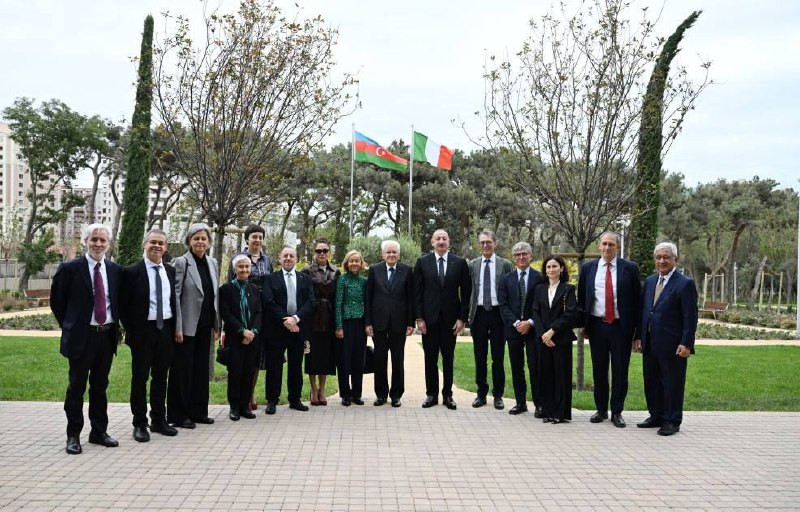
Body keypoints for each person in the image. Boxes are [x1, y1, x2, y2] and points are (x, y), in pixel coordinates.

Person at [51, 223, 122, 455]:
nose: (98, 244)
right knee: (76, 387)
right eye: (94, 239)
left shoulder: (114, 270)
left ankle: (99, 432)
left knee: (100, 387)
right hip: (81, 338)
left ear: (108, 244)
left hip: (106, 336)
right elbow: (57, 302)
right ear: (85, 241)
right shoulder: (70, 269)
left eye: (102, 240)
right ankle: (73, 435)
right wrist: (71, 325)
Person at [577, 231, 641, 428]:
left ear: (617, 247)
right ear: (599, 246)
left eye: (611, 244)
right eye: (604, 244)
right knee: (599, 370)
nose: (607, 248)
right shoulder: (588, 268)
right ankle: (601, 409)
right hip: (597, 326)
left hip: (621, 327)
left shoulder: (630, 268)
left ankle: (617, 412)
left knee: (620, 371)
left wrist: (637, 332)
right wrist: (583, 325)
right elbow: (582, 299)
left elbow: (637, 301)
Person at [120, 229, 178, 442]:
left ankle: (158, 420)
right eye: (153, 242)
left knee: (161, 377)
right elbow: (123, 306)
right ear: (145, 244)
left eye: (161, 243)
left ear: (166, 247)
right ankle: (139, 423)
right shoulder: (131, 272)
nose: (157, 246)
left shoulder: (170, 271)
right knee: (140, 378)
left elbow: (173, 302)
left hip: (165, 330)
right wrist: (132, 330)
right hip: (142, 332)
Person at [634, 242, 697, 436]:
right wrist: (638, 336)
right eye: (659, 257)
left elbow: (690, 316)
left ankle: (672, 420)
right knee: (651, 381)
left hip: (673, 344)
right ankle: (656, 415)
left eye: (666, 257)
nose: (662, 261)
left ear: (675, 260)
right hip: (649, 342)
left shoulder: (685, 284)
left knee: (672, 384)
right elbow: (644, 311)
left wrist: (686, 343)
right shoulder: (650, 281)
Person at [167, 223, 219, 428]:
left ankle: (199, 412)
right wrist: (178, 327)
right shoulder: (181, 262)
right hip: (186, 327)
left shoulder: (212, 263)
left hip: (205, 325)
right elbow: (175, 295)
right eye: (196, 238)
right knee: (182, 370)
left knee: (200, 370)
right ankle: (179, 415)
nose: (200, 242)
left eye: (203, 238)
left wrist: (217, 324)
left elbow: (214, 294)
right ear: (189, 241)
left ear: (209, 242)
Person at [413, 229, 471, 410]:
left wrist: (462, 319)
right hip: (428, 320)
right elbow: (417, 293)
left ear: (448, 241)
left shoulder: (459, 263)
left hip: (450, 320)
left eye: (444, 238)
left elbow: (466, 293)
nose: (441, 241)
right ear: (432, 242)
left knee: (448, 358)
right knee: (430, 358)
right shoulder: (422, 262)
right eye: (437, 238)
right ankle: (431, 395)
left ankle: (448, 395)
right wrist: (419, 318)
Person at [262, 246, 315, 414]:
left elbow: (311, 302)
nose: (288, 258)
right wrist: (287, 319)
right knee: (274, 366)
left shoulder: (305, 279)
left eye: (291, 256)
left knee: (295, 366)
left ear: (296, 259)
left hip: (298, 329)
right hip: (276, 329)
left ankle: (295, 399)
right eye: (285, 255)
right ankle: (272, 400)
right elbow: (268, 301)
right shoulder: (271, 278)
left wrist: (296, 319)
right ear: (279, 259)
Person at [228, 224, 273, 412]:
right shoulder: (238, 258)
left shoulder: (267, 260)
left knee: (256, 357)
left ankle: (250, 393)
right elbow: (230, 285)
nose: (257, 240)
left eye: (260, 237)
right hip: (241, 312)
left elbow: (270, 284)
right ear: (247, 239)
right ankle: (238, 401)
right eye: (254, 236)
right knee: (239, 360)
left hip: (261, 313)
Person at [365, 240, 414, 408]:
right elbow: (369, 297)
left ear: (399, 255)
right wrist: (368, 322)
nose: (391, 255)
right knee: (380, 359)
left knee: (398, 359)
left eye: (394, 252)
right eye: (388, 252)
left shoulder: (407, 270)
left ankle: (396, 395)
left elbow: (410, 298)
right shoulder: (374, 270)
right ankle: (381, 394)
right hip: (378, 322)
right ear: (383, 254)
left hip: (399, 323)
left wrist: (410, 323)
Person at [467, 230, 513, 410]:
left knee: (497, 357)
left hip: (498, 314)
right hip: (478, 314)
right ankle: (481, 394)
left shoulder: (505, 264)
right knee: (480, 356)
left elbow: (509, 289)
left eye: (488, 242)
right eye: (482, 242)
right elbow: (468, 290)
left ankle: (498, 395)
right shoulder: (472, 265)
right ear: (479, 245)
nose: (485, 245)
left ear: (495, 243)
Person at [498, 242, 544, 415]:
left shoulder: (540, 278)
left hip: (533, 329)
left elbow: (542, 305)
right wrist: (517, 323)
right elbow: (503, 305)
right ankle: (520, 403)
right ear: (513, 258)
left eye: (524, 254)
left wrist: (530, 322)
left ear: (531, 256)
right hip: (513, 330)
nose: (521, 257)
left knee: (535, 367)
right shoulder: (506, 279)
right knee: (517, 368)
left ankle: (539, 404)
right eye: (518, 255)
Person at [531, 255, 578, 423]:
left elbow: (570, 313)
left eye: (554, 266)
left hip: (561, 339)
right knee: (545, 375)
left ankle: (560, 413)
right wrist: (543, 334)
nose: (551, 269)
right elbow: (535, 312)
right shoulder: (539, 289)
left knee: (561, 376)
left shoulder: (568, 289)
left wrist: (552, 331)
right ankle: (547, 412)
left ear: (561, 269)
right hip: (543, 339)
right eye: (548, 267)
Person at [219, 254, 263, 421]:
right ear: (234, 269)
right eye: (241, 266)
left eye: (247, 266)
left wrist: (252, 332)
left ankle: (245, 406)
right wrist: (242, 331)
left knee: (249, 372)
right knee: (235, 372)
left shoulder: (255, 289)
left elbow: (259, 312)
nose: (244, 269)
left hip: (252, 338)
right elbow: (226, 314)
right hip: (235, 337)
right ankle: (234, 407)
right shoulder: (226, 289)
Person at [301, 238, 339, 406]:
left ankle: (322, 389)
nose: (321, 253)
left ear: (329, 252)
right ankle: (313, 389)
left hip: (329, 317)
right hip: (312, 316)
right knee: (312, 354)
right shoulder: (307, 270)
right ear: (314, 252)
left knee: (326, 354)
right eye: (318, 251)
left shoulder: (336, 271)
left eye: (324, 250)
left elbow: (337, 296)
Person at [334, 250, 368, 406]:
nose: (354, 263)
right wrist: (339, 326)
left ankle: (357, 394)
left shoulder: (364, 281)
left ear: (361, 263)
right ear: (347, 263)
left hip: (360, 324)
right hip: (346, 324)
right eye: (351, 261)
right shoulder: (342, 279)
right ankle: (345, 394)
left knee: (358, 360)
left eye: (357, 261)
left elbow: (367, 303)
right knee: (344, 360)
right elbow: (338, 303)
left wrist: (368, 324)